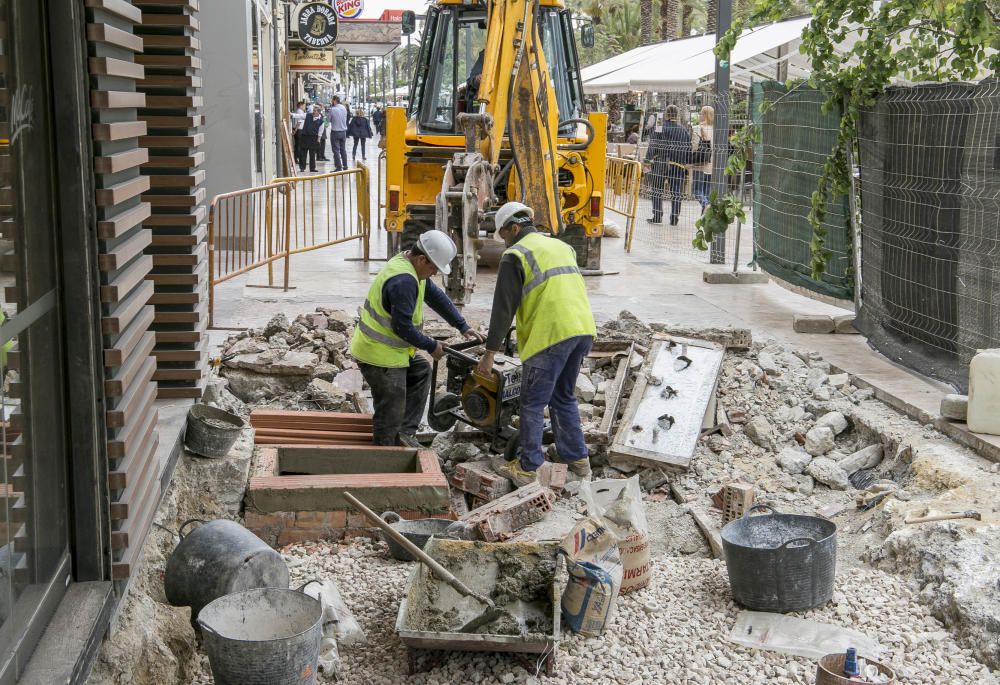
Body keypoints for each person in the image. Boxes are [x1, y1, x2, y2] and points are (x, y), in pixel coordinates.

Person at [476, 202, 597, 487]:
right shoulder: (561, 246)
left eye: (504, 235)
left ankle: (529, 467)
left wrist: (489, 355)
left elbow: (503, 310)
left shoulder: (515, 254)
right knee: (563, 396)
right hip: (582, 329)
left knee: (531, 403)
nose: (504, 241)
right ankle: (578, 459)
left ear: (514, 228)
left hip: (550, 335)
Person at [350, 230, 484, 446]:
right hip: (378, 355)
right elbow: (402, 327)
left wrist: (462, 326)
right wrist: (431, 345)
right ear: (422, 259)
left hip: (391, 352)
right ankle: (385, 452)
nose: (433, 274)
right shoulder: (403, 281)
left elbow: (435, 296)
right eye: (433, 268)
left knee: (422, 372)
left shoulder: (410, 265)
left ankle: (404, 434)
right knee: (391, 408)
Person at [644, 105, 691, 225]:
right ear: (677, 115)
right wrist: (685, 163)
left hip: (660, 162)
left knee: (657, 190)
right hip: (678, 165)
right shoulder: (683, 130)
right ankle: (674, 217)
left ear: (666, 114)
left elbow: (653, 145)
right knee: (676, 192)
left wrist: (648, 160)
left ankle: (657, 215)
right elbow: (688, 149)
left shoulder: (659, 128)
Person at [691, 105, 714, 212]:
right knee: (706, 192)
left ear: (705, 115)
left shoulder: (697, 128)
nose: (699, 115)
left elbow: (695, 146)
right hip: (711, 165)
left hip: (700, 164)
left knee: (697, 190)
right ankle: (705, 216)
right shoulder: (716, 129)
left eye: (700, 113)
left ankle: (706, 207)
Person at [300, 104, 324, 173]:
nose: (313, 112)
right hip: (305, 136)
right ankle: (302, 167)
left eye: (315, 111)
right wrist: (292, 114)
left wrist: (318, 139)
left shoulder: (321, 121)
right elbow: (300, 116)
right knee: (303, 153)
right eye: (313, 110)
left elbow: (320, 131)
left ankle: (312, 168)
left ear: (318, 112)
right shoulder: (308, 115)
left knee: (312, 154)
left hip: (313, 138)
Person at [328, 95, 349, 171]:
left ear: (334, 100)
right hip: (343, 132)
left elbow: (328, 120)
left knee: (336, 150)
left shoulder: (332, 109)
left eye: (332, 100)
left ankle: (338, 167)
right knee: (343, 149)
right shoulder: (344, 108)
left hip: (335, 132)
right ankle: (345, 166)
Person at [290, 101, 307, 170]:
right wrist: (295, 130)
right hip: (299, 130)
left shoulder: (296, 111)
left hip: (296, 130)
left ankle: (296, 158)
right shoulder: (300, 112)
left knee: (297, 145)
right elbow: (299, 122)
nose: (304, 107)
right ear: (300, 105)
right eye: (303, 105)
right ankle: (298, 159)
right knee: (299, 145)